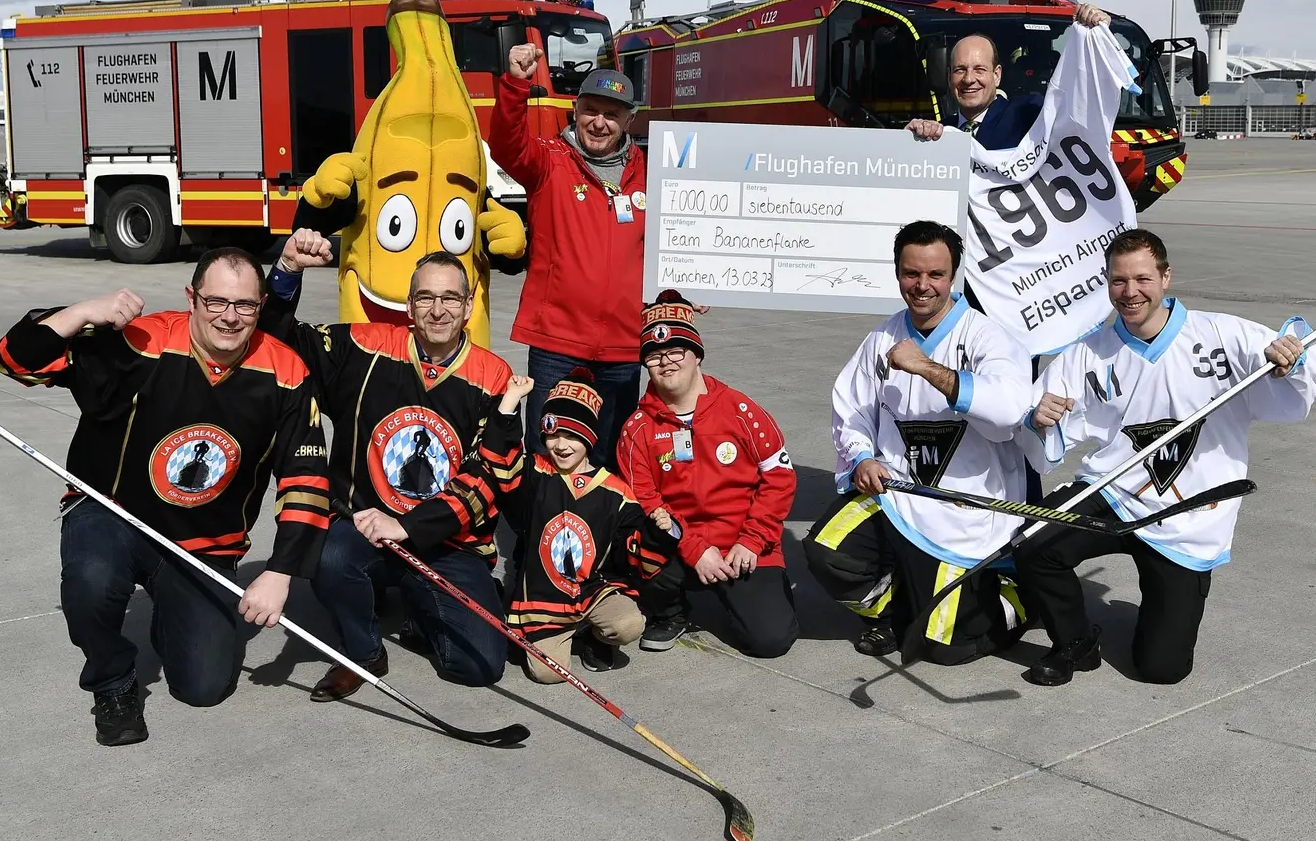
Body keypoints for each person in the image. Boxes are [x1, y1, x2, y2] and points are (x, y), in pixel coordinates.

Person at [0, 248, 331, 747]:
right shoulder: (142, 341)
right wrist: (81, 312)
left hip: (205, 540)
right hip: (113, 513)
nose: (229, 317)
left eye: (245, 305)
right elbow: (12, 361)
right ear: (191, 297)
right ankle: (112, 679)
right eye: (215, 301)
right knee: (91, 577)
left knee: (205, 688)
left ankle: (173, 616)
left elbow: (307, 478)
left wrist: (280, 572)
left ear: (261, 306)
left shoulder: (286, 373)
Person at [1013, 229, 1316, 686]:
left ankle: (1167, 603)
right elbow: (1037, 428)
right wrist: (1038, 419)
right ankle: (1075, 641)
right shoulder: (1087, 353)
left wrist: (1292, 359)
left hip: (1189, 514)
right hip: (1116, 492)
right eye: (1118, 281)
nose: (1130, 293)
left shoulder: (1224, 334)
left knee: (1162, 669)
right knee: (1033, 544)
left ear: (1166, 277)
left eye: (1143, 278)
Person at [261, 231, 512, 698]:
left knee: (478, 667)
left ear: (470, 302)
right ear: (409, 304)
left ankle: (418, 602)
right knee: (331, 555)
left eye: (451, 298)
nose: (438, 310)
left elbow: (487, 479)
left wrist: (410, 527)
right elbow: (277, 342)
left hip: (446, 542)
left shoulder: (493, 376)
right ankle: (362, 651)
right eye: (425, 298)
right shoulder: (364, 347)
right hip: (363, 526)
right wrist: (287, 271)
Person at [802, 222, 1034, 665]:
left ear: (953, 276)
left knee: (946, 649)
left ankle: (1020, 599)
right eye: (911, 274)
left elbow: (1007, 409)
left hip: (962, 507)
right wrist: (862, 458)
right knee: (825, 552)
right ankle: (891, 611)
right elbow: (850, 409)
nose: (922, 286)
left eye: (936, 275)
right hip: (897, 494)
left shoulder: (989, 337)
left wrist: (926, 367)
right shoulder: (881, 338)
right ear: (897, 272)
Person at [361, 369, 678, 683]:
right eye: (553, 434)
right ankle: (552, 632)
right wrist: (510, 404)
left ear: (589, 437)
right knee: (547, 675)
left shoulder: (616, 492)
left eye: (572, 435)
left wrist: (658, 534)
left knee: (628, 624)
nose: (561, 445)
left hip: (590, 589)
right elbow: (499, 461)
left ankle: (593, 635)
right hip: (543, 598)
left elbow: (633, 555)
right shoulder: (534, 473)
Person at [490, 42, 652, 468]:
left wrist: (691, 283)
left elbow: (680, 237)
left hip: (622, 347)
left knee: (609, 458)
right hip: (556, 343)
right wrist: (515, 85)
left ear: (629, 120)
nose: (599, 123)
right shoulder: (549, 162)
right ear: (575, 111)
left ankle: (600, 536)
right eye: (590, 111)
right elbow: (505, 147)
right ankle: (537, 534)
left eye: (612, 114)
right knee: (547, 455)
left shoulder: (653, 174)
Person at [615, 292, 799, 658]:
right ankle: (670, 611)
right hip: (681, 548)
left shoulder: (742, 411)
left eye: (676, 351)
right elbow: (646, 501)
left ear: (696, 354)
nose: (665, 362)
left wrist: (752, 540)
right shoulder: (636, 429)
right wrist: (695, 549)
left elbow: (779, 479)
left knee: (771, 640)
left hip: (745, 545)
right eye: (653, 355)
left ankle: (758, 593)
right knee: (637, 532)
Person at [906, 3, 1112, 149]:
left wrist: (1098, 40)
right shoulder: (941, 131)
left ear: (997, 75)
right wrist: (908, 141)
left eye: (979, 69)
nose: (968, 79)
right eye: (960, 70)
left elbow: (1081, 112)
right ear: (949, 76)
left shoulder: (1027, 115)